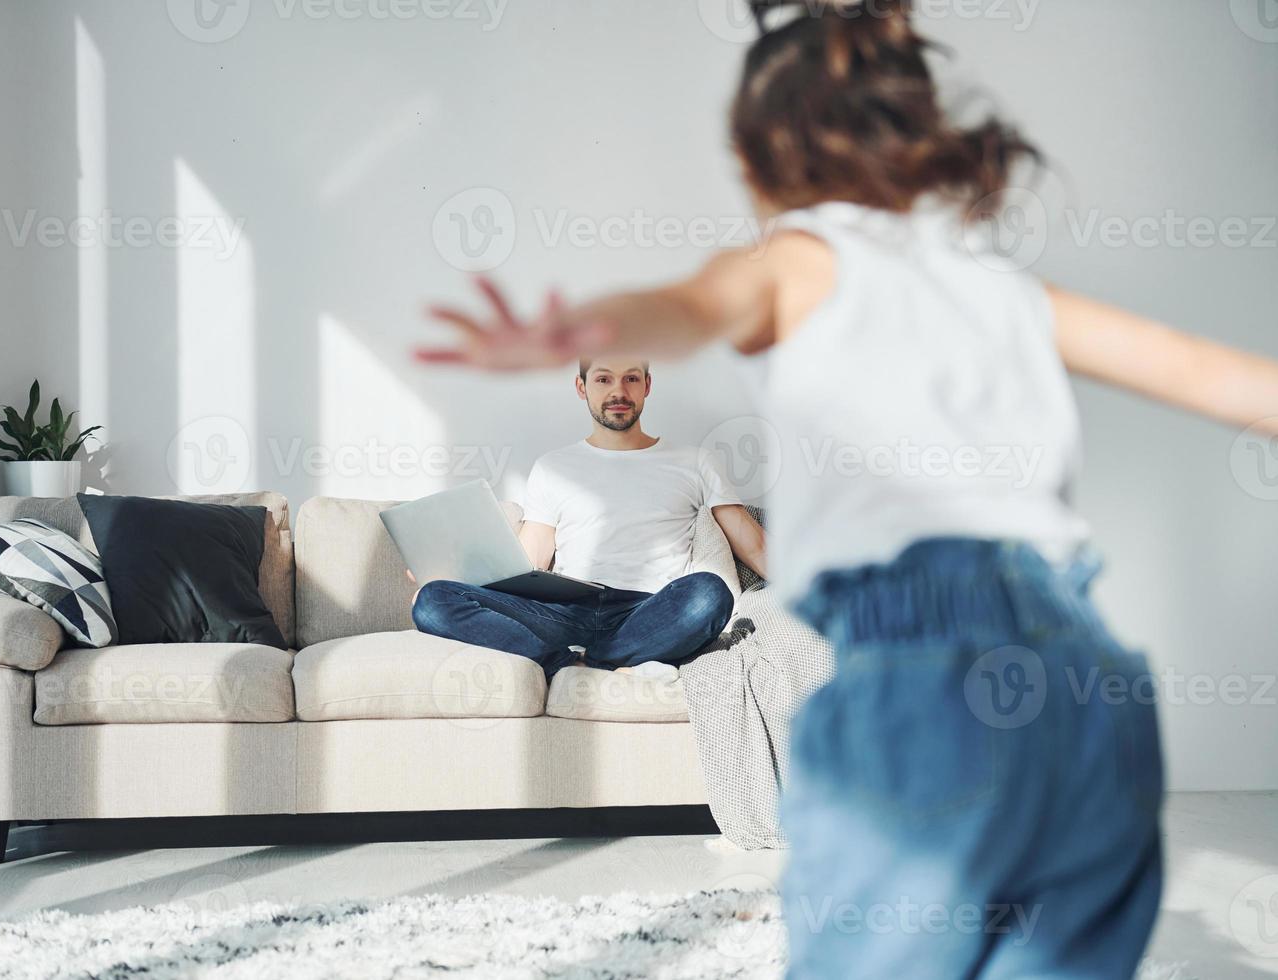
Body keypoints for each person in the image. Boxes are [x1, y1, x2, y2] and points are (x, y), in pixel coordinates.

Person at [413, 1, 1278, 975]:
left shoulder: (797, 258)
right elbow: (1216, 374)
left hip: (922, 673)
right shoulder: (1006, 288)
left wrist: (571, 329)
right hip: (1087, 681)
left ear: (758, 157)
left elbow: (687, 307)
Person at [410, 354, 767, 679]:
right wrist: (449, 571)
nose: (618, 391)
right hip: (565, 613)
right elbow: (527, 562)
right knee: (431, 600)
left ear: (647, 386)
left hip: (648, 613)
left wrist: (815, 592)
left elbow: (750, 542)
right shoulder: (553, 467)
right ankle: (572, 664)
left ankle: (593, 663)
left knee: (710, 592)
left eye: (631, 378)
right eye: (603, 379)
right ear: (582, 387)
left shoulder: (694, 461)